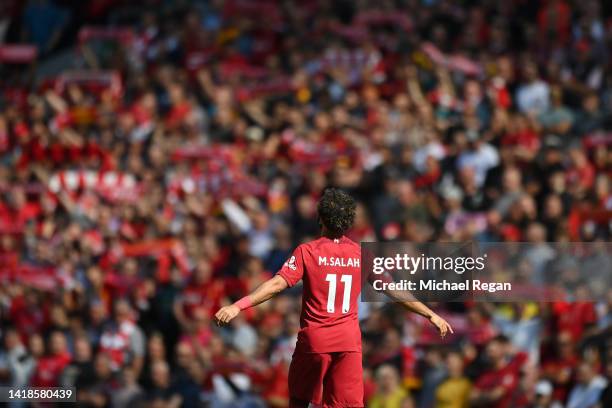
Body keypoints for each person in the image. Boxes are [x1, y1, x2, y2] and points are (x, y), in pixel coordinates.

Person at [215, 188, 453, 407]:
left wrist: (238, 306)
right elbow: (394, 290)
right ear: (350, 223)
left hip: (315, 341)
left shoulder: (308, 251)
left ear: (320, 219)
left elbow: (278, 284)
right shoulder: (363, 255)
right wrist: (430, 314)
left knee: (299, 401)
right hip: (348, 344)